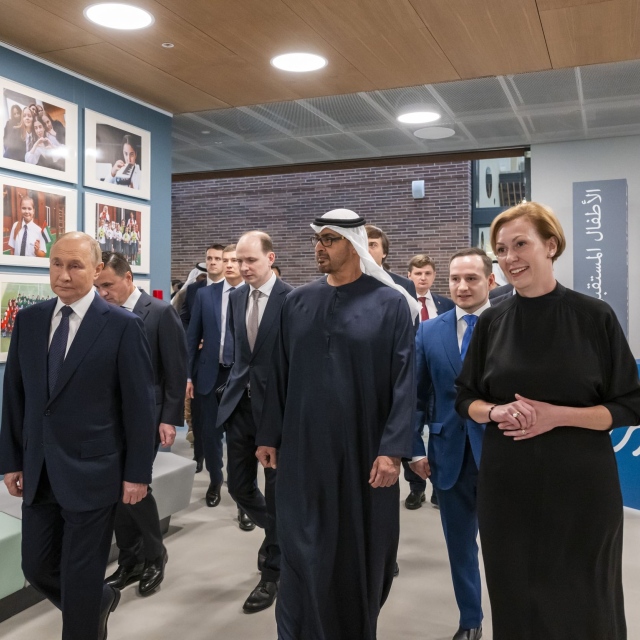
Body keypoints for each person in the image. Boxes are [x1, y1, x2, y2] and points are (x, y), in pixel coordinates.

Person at [455, 202, 640, 640]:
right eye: (501, 249)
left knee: (582, 600)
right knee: (516, 598)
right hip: (507, 488)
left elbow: (630, 405)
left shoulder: (594, 317)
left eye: (521, 244)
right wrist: (495, 410)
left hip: (581, 490)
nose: (509, 257)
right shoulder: (492, 321)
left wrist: (558, 416)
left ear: (550, 245)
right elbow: (465, 397)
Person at [257, 209, 419, 640]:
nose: (319, 247)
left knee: (360, 551)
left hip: (364, 453)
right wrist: (269, 435)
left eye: (329, 240)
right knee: (302, 546)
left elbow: (406, 383)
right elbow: (279, 371)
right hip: (302, 449)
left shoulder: (391, 304)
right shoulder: (298, 302)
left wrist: (392, 450)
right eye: (317, 239)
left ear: (354, 244)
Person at [0, 232, 156, 640]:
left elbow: (140, 407)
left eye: (75, 265)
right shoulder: (30, 321)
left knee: (81, 578)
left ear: (97, 269)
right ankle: (99, 602)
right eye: (56, 264)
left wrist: (137, 473)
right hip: (38, 471)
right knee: (36, 567)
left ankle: (87, 614)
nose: (63, 275)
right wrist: (12, 459)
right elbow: (16, 396)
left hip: (94, 472)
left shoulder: (123, 326)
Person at [410, 248, 495, 640]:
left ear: (490, 281)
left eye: (472, 279)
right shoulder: (429, 331)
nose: (462, 287)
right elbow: (415, 395)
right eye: (455, 279)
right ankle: (471, 621)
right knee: (460, 547)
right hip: (449, 456)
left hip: (504, 455)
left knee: (506, 547)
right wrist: (413, 445)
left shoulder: (510, 325)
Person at [96, 252, 187, 597]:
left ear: (128, 277)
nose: (102, 292)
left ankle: (155, 554)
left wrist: (170, 420)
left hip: (149, 415)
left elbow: (176, 370)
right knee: (115, 488)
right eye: (97, 286)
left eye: (108, 284)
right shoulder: (103, 313)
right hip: (109, 417)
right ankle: (130, 559)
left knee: (134, 484)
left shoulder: (160, 313)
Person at [216, 231, 293, 613]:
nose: (243, 268)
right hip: (240, 409)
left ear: (270, 258)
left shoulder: (292, 299)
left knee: (278, 494)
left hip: (278, 413)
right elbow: (240, 355)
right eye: (239, 261)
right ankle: (282, 535)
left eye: (251, 261)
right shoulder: (234, 298)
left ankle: (273, 572)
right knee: (240, 488)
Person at [365, 224, 428, 515]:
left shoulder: (400, 288)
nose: (367, 248)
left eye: (374, 244)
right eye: (362, 242)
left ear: (384, 251)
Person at [186, 245, 244, 508]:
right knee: (210, 434)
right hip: (210, 373)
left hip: (242, 376)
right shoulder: (205, 295)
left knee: (239, 436)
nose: (229, 265)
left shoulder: (251, 295)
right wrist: (188, 376)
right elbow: (192, 338)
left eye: (233, 260)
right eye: (225, 260)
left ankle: (242, 492)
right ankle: (215, 480)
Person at [180, 244, 225, 330]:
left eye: (218, 259)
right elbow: (185, 319)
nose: (212, 262)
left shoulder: (233, 288)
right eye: (209, 258)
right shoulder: (193, 289)